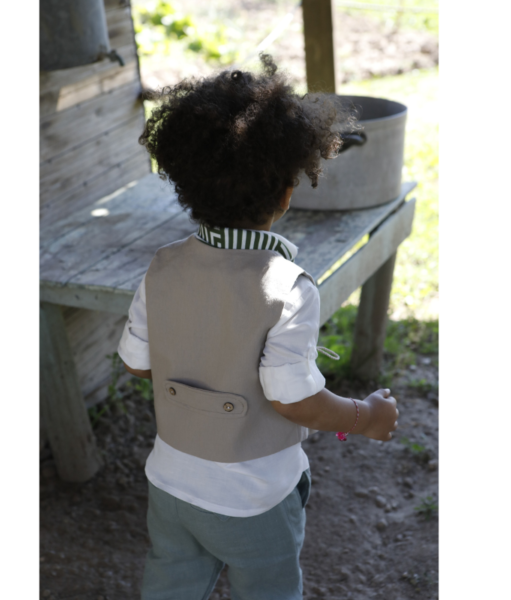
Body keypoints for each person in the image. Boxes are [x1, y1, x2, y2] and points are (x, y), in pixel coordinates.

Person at [117, 54, 398, 600]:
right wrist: (364, 417)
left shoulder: (163, 266)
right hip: (254, 498)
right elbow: (294, 401)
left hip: (170, 482)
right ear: (287, 193)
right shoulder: (287, 287)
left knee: (171, 585)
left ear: (186, 186)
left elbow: (135, 362)